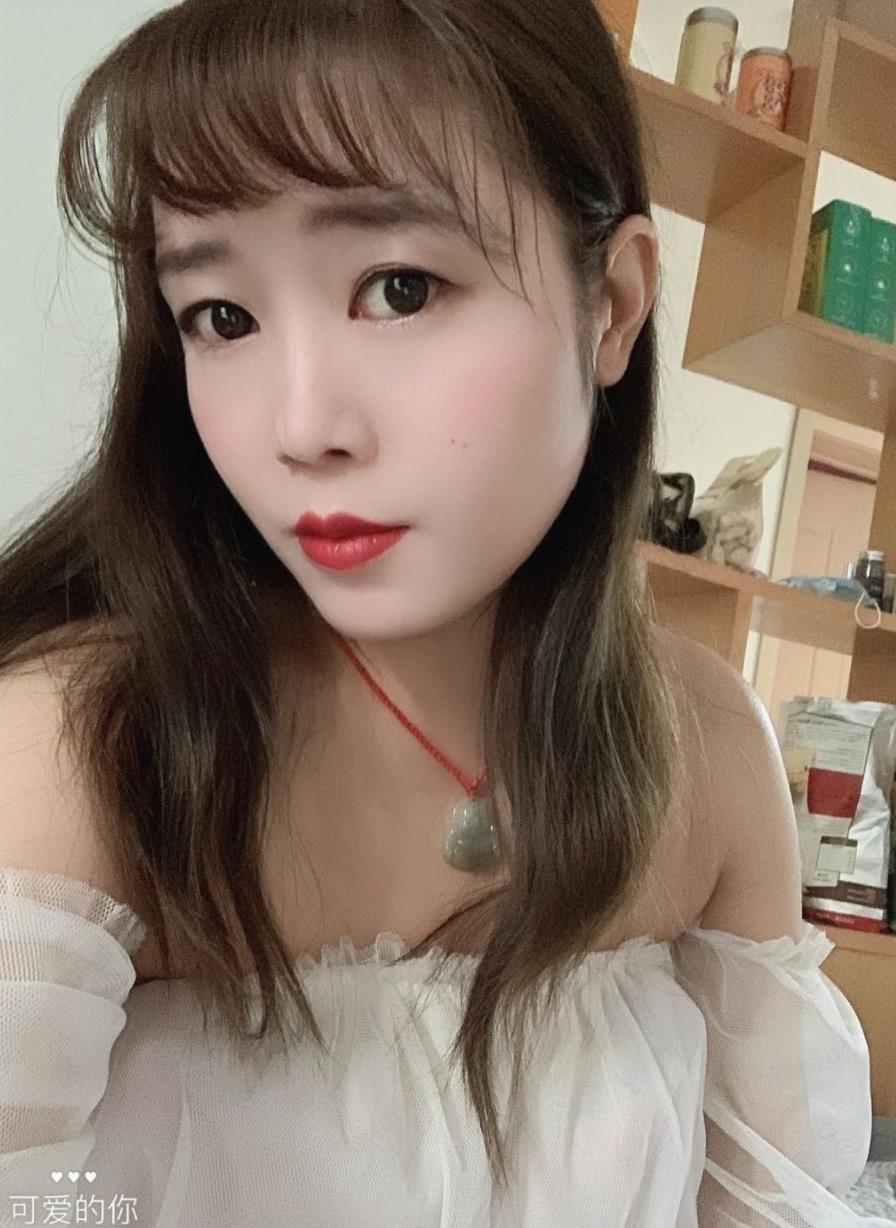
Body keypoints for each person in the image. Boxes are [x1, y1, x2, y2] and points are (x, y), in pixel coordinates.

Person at [0, 1, 886, 1224]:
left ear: (612, 304)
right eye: (223, 316)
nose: (301, 426)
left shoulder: (703, 747)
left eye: (398, 287)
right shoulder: (80, 753)